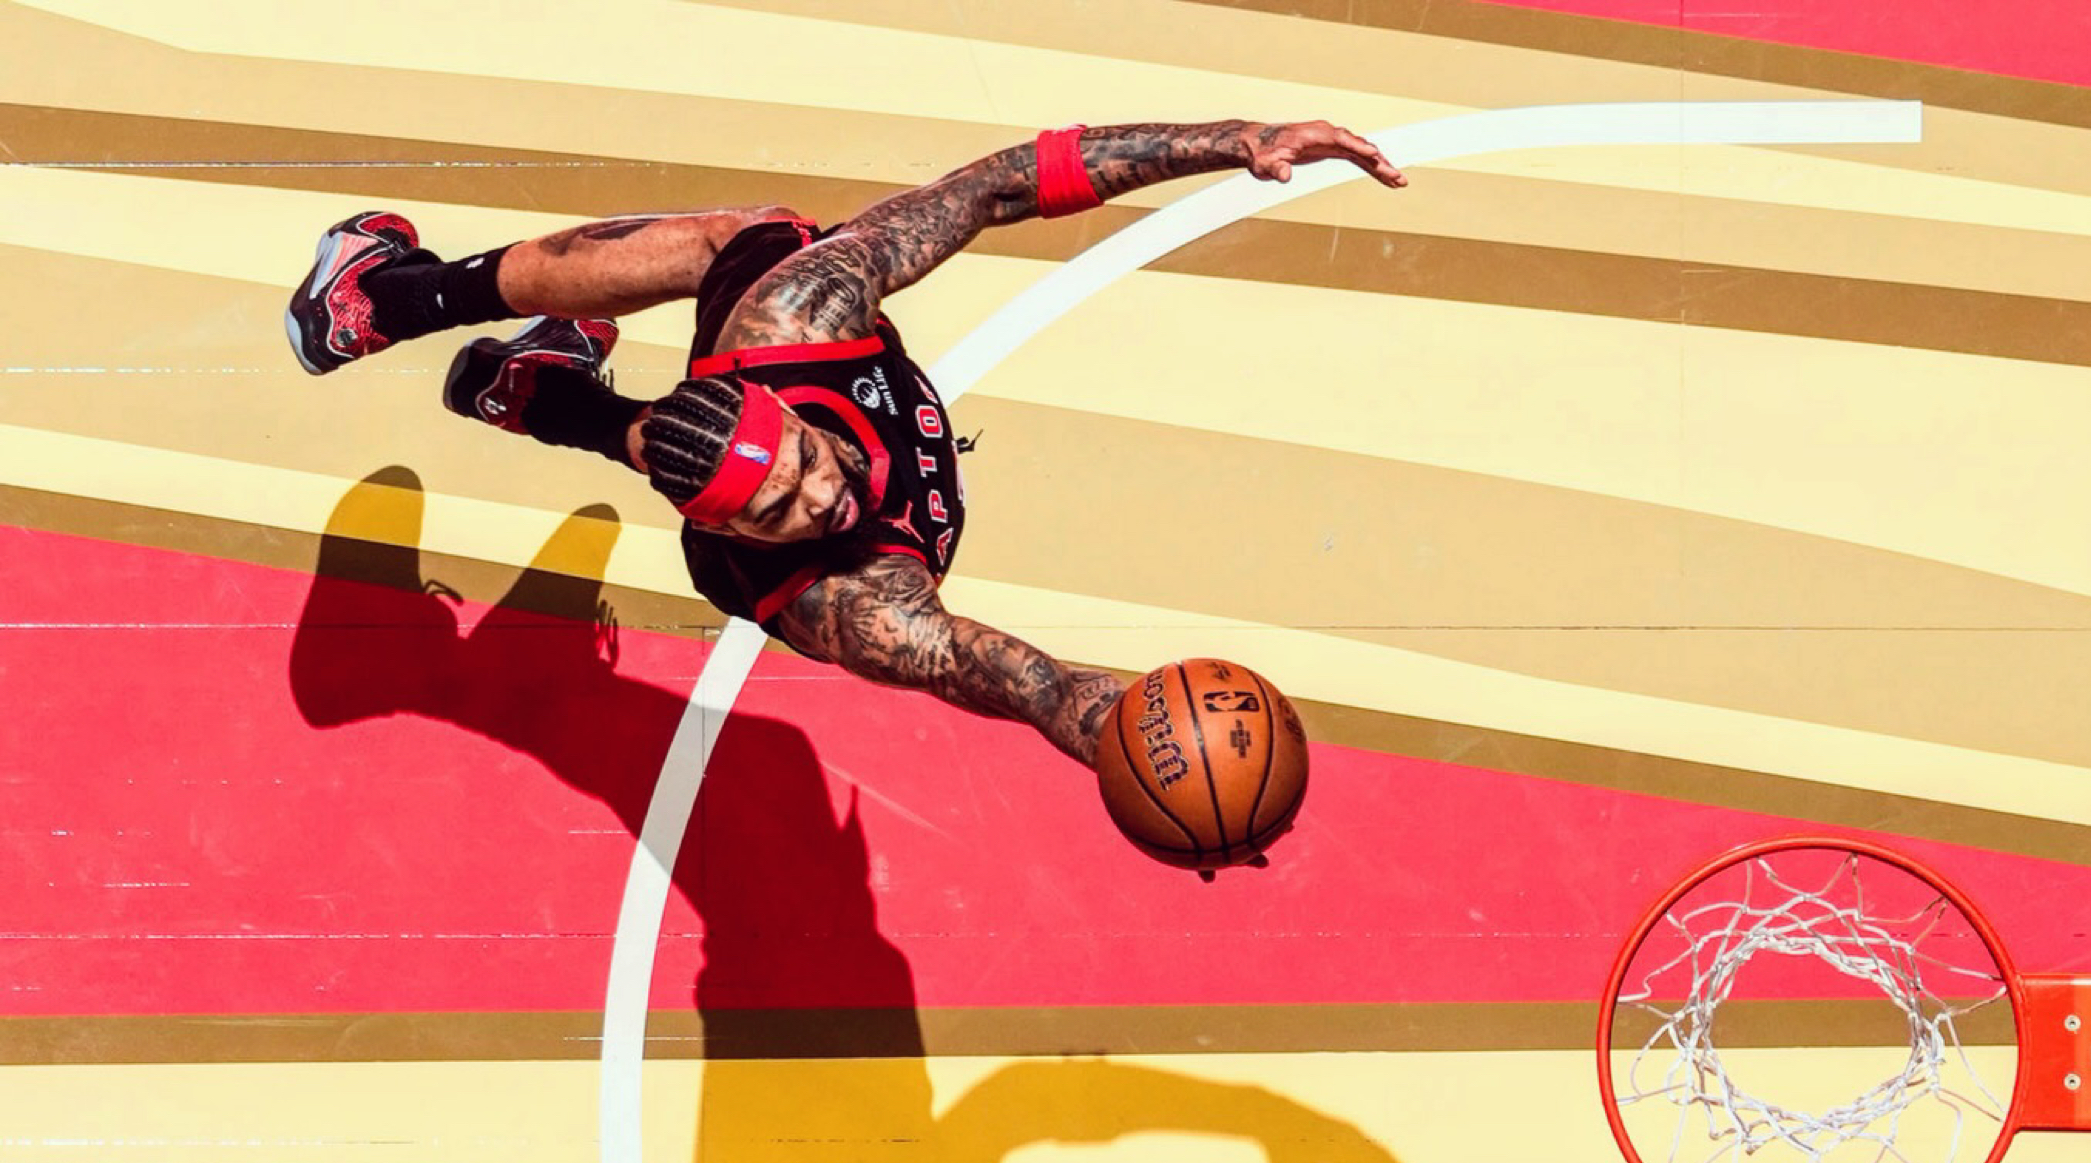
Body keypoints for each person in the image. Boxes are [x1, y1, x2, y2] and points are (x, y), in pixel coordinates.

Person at [285, 120, 1405, 765]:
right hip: (751, 562)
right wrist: (1148, 744)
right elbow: (1034, 686)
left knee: (750, 237)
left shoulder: (793, 321)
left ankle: (401, 308)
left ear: (781, 406)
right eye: (777, 513)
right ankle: (516, 382)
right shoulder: (860, 604)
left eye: (804, 472)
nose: (818, 503)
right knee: (671, 450)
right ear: (739, 533)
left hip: (754, 373)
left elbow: (991, 191)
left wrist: (1231, 140)